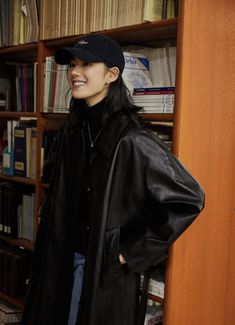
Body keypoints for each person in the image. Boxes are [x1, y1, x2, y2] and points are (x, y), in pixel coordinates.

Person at [22, 34, 205, 325]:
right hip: (59, 256)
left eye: (87, 64)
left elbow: (189, 199)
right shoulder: (73, 131)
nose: (74, 73)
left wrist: (130, 252)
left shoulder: (132, 139)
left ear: (112, 75)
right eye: (72, 64)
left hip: (97, 266)